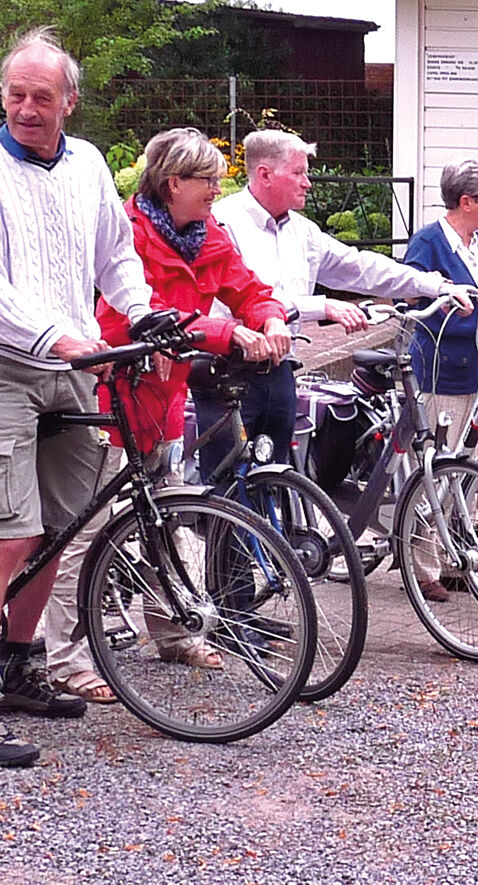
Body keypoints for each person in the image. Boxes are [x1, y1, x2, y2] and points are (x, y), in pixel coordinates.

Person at [0, 29, 157, 767]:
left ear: (70, 100)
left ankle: (22, 663)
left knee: (57, 531)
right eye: (16, 94)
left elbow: (115, 253)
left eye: (42, 96)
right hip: (3, 361)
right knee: (7, 533)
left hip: (72, 361)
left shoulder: (87, 163)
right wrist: (54, 337)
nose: (27, 108)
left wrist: (143, 308)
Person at [31, 128, 291, 704]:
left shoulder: (206, 235)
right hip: (112, 395)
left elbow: (247, 288)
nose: (217, 192)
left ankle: (171, 631)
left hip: (164, 401)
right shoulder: (130, 233)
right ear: (174, 183)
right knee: (86, 530)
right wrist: (228, 332)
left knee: (163, 518)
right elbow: (127, 323)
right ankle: (64, 659)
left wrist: (269, 317)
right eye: (209, 182)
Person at [206, 129, 456, 481]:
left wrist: (434, 284)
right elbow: (249, 297)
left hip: (280, 369)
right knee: (231, 485)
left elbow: (358, 266)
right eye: (298, 173)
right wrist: (323, 306)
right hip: (229, 372)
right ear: (264, 174)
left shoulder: (302, 231)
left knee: (276, 480)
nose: (308, 183)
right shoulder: (222, 222)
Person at [400, 161, 478, 456]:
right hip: (440, 376)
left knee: (472, 471)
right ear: (466, 202)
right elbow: (404, 299)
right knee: (440, 470)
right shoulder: (427, 243)